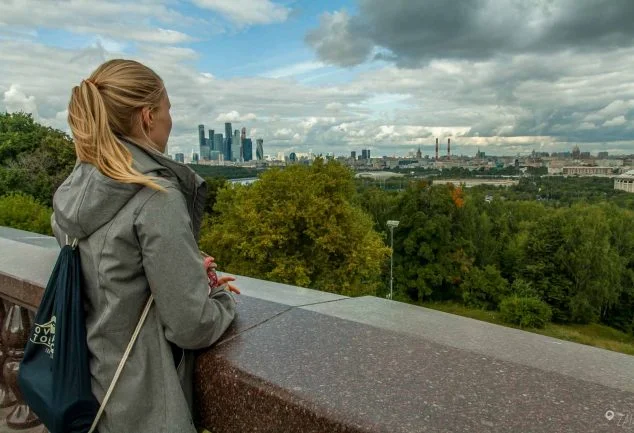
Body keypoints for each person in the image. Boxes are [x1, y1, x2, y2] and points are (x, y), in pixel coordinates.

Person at [51, 59, 237, 433]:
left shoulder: (75, 190)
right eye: (168, 110)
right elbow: (192, 326)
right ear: (148, 116)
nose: (171, 121)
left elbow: (109, 272)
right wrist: (220, 297)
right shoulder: (156, 196)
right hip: (143, 404)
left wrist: (180, 268)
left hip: (85, 383)